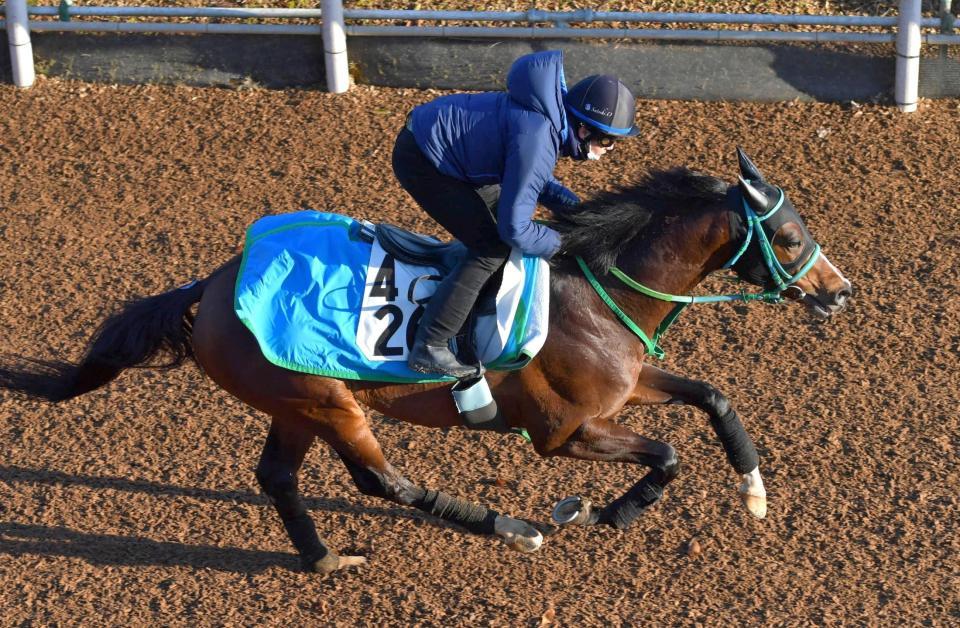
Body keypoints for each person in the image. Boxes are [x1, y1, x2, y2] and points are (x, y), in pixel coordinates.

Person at [392, 50, 640, 379]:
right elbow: (516, 230)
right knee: (491, 248)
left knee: (495, 230)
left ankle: (465, 310)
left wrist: (578, 211)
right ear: (582, 131)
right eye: (608, 141)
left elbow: (532, 177)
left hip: (452, 155)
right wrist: (566, 241)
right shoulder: (539, 138)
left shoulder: (547, 119)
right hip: (425, 160)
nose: (610, 150)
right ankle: (430, 345)